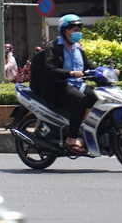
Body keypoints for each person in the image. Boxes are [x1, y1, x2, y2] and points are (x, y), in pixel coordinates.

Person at [43, 14, 102, 155]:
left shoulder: (78, 48)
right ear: (65, 31)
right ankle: (71, 138)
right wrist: (70, 73)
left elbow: (88, 65)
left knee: (99, 100)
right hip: (59, 86)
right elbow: (50, 69)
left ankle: (90, 132)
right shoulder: (53, 47)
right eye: (74, 30)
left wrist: (104, 71)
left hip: (78, 84)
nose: (78, 33)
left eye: (78, 30)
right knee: (80, 100)